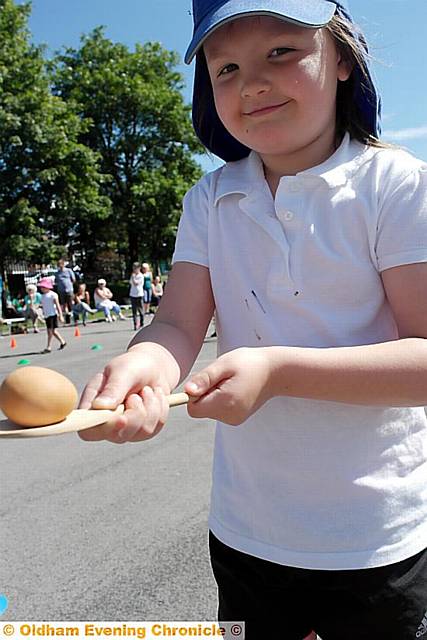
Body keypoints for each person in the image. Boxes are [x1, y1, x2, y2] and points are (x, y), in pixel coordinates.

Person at [78, 2, 427, 639]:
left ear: (343, 59)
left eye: (281, 52)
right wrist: (142, 365)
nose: (253, 83)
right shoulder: (210, 200)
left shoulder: (395, 186)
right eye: (226, 67)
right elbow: (178, 326)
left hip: (375, 535)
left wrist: (278, 369)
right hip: (247, 530)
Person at [38, 277, 66, 353]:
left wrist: (60, 315)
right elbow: (43, 306)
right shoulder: (42, 296)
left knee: (50, 331)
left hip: (52, 315)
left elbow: (57, 305)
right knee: (53, 331)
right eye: (41, 287)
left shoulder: (53, 295)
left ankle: (48, 347)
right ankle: (62, 342)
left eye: (43, 287)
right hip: (47, 315)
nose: (42, 289)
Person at [55, 258, 76, 324]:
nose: (60, 266)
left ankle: (74, 316)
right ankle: (67, 318)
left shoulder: (68, 271)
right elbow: (56, 281)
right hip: (61, 290)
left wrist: (69, 284)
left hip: (69, 289)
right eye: (58, 265)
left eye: (61, 264)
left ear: (63, 264)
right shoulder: (57, 273)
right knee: (64, 304)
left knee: (71, 303)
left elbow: (73, 279)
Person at [129, 262, 145, 330]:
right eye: (134, 268)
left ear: (139, 268)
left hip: (139, 294)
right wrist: (132, 277)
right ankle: (135, 324)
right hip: (132, 294)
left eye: (136, 268)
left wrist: (133, 277)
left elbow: (136, 283)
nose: (134, 269)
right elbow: (130, 283)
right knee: (134, 311)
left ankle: (142, 322)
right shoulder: (132, 275)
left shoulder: (141, 276)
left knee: (140, 310)